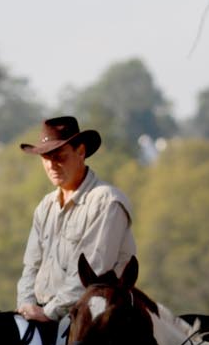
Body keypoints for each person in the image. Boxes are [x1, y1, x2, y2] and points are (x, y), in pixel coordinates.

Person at [16, 116, 136, 332]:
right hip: (43, 315)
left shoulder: (106, 202)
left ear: (80, 152)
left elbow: (90, 275)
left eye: (59, 156)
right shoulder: (46, 206)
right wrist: (26, 307)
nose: (52, 165)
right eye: (45, 158)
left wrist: (48, 313)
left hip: (94, 321)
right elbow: (30, 267)